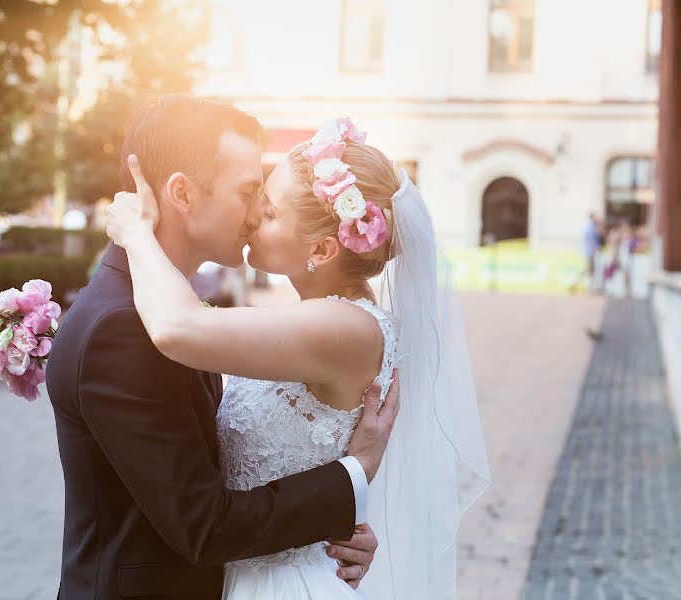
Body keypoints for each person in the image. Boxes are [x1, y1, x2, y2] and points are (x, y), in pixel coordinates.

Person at [106, 116, 491, 598]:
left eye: (267, 212)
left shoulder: (346, 328)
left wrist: (136, 233)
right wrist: (341, 501)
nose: (250, 218)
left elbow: (178, 327)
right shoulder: (318, 320)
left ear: (323, 248)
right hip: (259, 565)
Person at [45, 97, 398, 600]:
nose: (255, 216)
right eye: (250, 193)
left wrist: (324, 532)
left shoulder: (170, 306)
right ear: (183, 194)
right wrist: (348, 482)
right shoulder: (122, 326)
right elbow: (203, 525)